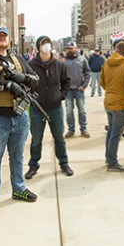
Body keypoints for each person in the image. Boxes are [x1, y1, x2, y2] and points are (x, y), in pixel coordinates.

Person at [0, 26, 39, 216]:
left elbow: (35, 79)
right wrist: (7, 85)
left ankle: (18, 188)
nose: (2, 39)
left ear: (9, 39)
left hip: (19, 117)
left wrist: (21, 78)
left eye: (4, 36)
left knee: (17, 156)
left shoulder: (18, 60)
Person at [25, 36, 73, 179]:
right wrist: (31, 97)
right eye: (43, 43)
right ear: (38, 47)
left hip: (55, 107)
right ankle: (33, 165)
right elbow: (25, 82)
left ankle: (64, 163)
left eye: (48, 43)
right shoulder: (31, 65)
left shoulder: (59, 65)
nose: (45, 46)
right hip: (36, 108)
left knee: (59, 137)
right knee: (36, 139)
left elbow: (66, 81)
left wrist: (61, 96)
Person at [100, 40, 124, 171]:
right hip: (121, 104)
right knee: (116, 134)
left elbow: (102, 82)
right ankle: (112, 162)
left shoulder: (107, 64)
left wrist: (111, 92)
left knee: (111, 132)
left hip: (109, 101)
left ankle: (108, 157)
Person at [63, 41, 91, 138]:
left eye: (71, 48)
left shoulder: (82, 59)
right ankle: (71, 130)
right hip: (68, 91)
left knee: (82, 111)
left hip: (80, 89)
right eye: (68, 48)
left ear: (76, 48)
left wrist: (84, 85)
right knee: (69, 111)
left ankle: (84, 129)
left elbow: (87, 73)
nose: (69, 50)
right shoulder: (63, 61)